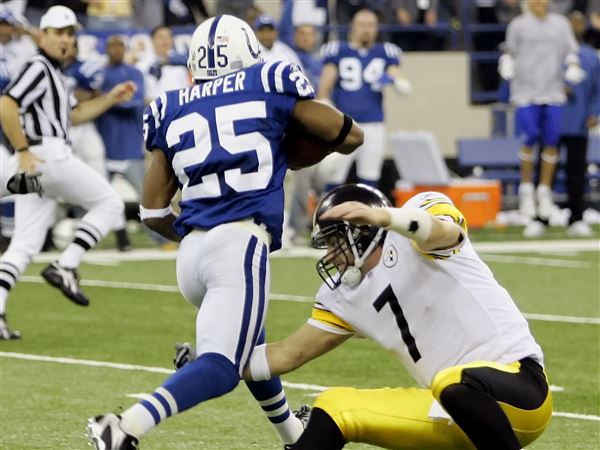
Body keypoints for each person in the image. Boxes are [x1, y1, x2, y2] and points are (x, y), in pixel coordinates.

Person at [86, 14, 363, 449]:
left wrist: (197, 232)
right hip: (238, 243)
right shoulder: (268, 81)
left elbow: (152, 209)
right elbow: (347, 136)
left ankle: (293, 435)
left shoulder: (172, 104)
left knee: (250, 338)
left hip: (191, 254)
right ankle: (125, 426)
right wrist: (297, 141)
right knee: (223, 366)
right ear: (250, 53)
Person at [237, 184, 551, 450]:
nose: (330, 255)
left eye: (335, 242)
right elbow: (285, 355)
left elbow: (446, 231)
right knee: (334, 406)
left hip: (520, 388)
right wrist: (215, 364)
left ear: (361, 232)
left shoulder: (414, 230)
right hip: (449, 408)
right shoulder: (345, 295)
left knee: (451, 381)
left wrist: (386, 217)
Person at [0, 5, 136, 339]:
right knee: (110, 203)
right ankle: (66, 264)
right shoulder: (38, 66)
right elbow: (6, 104)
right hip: (47, 157)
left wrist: (111, 98)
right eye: (58, 33)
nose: (65, 40)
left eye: (70, 33)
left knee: (23, 245)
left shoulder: (56, 75)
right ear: (42, 35)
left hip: (40, 163)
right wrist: (23, 150)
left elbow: (75, 115)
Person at [499, 0, 584, 236]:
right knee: (529, 139)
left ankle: (544, 192)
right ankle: (527, 191)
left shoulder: (560, 24)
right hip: (526, 92)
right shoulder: (518, 24)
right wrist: (506, 61)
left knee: (552, 142)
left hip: (553, 91)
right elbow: (509, 50)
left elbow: (571, 52)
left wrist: (572, 66)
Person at [318, 8, 411, 190]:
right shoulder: (338, 50)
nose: (366, 29)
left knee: (369, 179)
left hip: (373, 124)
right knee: (333, 175)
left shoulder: (386, 51)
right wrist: (326, 109)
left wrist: (396, 82)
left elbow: (396, 78)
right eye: (362, 25)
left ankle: (365, 218)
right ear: (352, 27)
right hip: (344, 124)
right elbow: (324, 89)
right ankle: (327, 217)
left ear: (377, 28)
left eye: (370, 25)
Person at [560, 11, 600, 238]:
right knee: (545, 170)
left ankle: (576, 216)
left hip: (578, 123)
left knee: (576, 172)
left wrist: (595, 112)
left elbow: (597, 88)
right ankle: (540, 217)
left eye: (578, 22)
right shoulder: (555, 55)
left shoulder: (590, 56)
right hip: (553, 121)